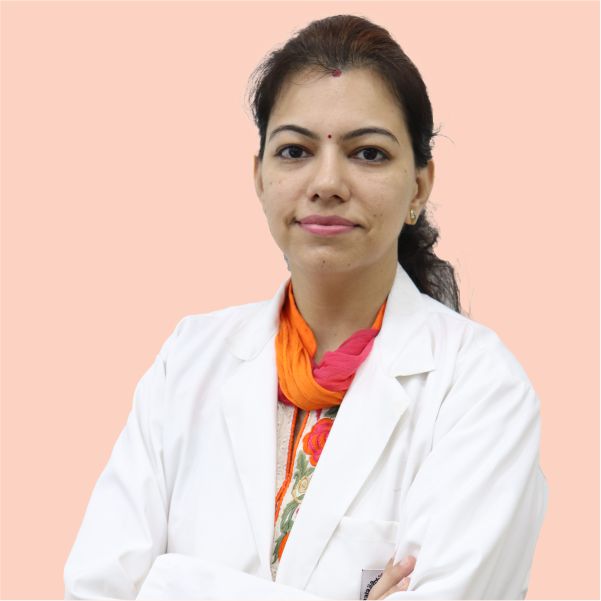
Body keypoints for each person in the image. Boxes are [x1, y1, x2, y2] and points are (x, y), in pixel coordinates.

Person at [63, 14, 548, 600]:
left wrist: (173, 583)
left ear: (419, 188)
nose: (327, 182)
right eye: (294, 150)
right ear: (259, 177)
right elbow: (94, 589)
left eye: (368, 153)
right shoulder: (187, 360)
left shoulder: (480, 388)